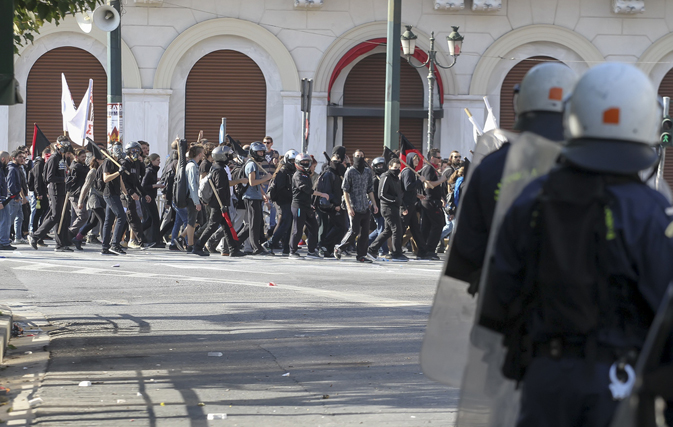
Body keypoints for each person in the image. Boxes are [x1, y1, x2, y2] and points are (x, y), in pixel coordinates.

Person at [484, 62, 673, 427]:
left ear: (574, 116)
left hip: (544, 381)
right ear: (649, 120)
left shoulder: (529, 201)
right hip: (620, 383)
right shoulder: (652, 212)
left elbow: (496, 300)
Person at [446, 62, 577, 293]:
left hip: (504, 304)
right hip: (573, 306)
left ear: (520, 103)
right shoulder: (589, 167)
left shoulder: (491, 167)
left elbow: (466, 252)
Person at [192, 146, 244, 257]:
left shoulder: (216, 167)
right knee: (212, 226)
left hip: (219, 203)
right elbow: (220, 189)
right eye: (227, 155)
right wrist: (223, 205)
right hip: (218, 204)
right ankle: (197, 246)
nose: (229, 157)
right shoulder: (219, 170)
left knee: (226, 227)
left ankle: (233, 249)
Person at [29, 136, 73, 252]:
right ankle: (35, 236)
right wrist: (63, 179)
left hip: (63, 191)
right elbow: (49, 177)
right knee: (55, 216)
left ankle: (61, 243)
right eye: (64, 145)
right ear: (58, 146)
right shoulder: (54, 158)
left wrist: (68, 178)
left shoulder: (62, 158)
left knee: (64, 217)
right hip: (55, 191)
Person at [334, 150, 378, 263]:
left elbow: (370, 190)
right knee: (354, 230)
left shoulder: (368, 172)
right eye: (357, 156)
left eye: (361, 156)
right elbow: (345, 190)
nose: (360, 158)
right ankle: (339, 248)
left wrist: (374, 204)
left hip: (364, 205)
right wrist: (349, 207)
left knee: (364, 233)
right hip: (354, 206)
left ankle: (361, 255)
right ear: (353, 157)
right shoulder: (350, 171)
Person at [289, 153, 329, 258]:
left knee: (314, 227)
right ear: (298, 163)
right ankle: (292, 251)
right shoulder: (298, 175)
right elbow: (305, 189)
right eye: (303, 162)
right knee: (298, 229)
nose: (306, 164)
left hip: (306, 206)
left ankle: (311, 250)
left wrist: (310, 204)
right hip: (298, 206)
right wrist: (321, 194)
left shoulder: (306, 175)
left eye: (307, 162)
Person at [368, 158, 407, 262]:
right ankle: (396, 252)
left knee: (387, 231)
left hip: (394, 207)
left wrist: (403, 206)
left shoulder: (396, 179)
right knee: (397, 229)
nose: (397, 170)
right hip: (387, 208)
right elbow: (381, 194)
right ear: (390, 167)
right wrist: (394, 200)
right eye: (395, 167)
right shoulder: (386, 177)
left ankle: (372, 249)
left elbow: (399, 195)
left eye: (399, 168)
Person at [238, 141, 273, 255]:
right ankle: (256, 247)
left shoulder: (255, 163)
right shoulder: (251, 164)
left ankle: (234, 243)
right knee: (253, 223)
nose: (261, 154)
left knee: (254, 223)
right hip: (251, 197)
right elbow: (252, 182)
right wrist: (266, 178)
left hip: (255, 197)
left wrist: (263, 194)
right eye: (259, 151)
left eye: (263, 152)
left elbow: (257, 184)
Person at [264, 149, 297, 256]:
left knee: (288, 223)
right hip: (282, 201)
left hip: (288, 201)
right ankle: (270, 243)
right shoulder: (283, 172)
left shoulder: (291, 171)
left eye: (294, 161)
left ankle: (286, 248)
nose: (293, 163)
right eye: (291, 160)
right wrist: (291, 194)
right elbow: (281, 189)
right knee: (285, 223)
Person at [171, 144, 203, 252]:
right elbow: (192, 185)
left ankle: (180, 238)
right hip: (191, 198)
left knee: (198, 220)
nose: (203, 155)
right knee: (191, 221)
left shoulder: (192, 165)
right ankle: (190, 245)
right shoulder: (192, 166)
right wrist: (196, 201)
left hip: (192, 197)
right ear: (199, 154)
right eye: (202, 153)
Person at [120, 141, 152, 249]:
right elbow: (123, 182)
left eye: (138, 151)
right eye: (133, 151)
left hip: (135, 194)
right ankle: (120, 240)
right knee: (128, 218)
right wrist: (131, 193)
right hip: (125, 195)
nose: (136, 153)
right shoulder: (125, 164)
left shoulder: (137, 164)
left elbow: (138, 180)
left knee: (133, 218)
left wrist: (144, 194)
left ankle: (136, 240)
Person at [99, 142, 129, 255]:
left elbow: (120, 181)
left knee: (109, 220)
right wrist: (118, 172)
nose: (119, 151)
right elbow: (106, 178)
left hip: (115, 193)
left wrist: (126, 194)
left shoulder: (118, 162)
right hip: (109, 193)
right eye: (117, 149)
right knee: (121, 216)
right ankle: (115, 244)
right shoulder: (108, 162)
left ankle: (105, 246)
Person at [419, 148, 448, 260]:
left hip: (432, 200)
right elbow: (427, 185)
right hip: (430, 201)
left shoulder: (433, 169)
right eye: (438, 157)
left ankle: (423, 250)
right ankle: (430, 250)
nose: (440, 160)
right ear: (432, 158)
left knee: (426, 227)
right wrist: (442, 180)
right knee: (438, 224)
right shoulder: (429, 169)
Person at [316, 153, 347, 258]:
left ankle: (329, 248)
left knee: (338, 227)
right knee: (338, 227)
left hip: (338, 205)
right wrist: (334, 205)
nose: (337, 164)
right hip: (331, 206)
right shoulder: (329, 174)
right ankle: (323, 245)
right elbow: (327, 192)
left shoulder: (337, 174)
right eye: (335, 162)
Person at [72, 156, 105, 251]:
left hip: (100, 199)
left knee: (92, 222)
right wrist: (80, 201)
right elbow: (85, 186)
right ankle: (105, 241)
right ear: (98, 160)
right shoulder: (93, 172)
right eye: (103, 158)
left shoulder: (102, 170)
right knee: (103, 219)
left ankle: (77, 238)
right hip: (94, 200)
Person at [400, 152, 428, 259]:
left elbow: (409, 190)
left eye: (417, 159)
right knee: (402, 228)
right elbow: (407, 187)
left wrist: (417, 195)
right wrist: (420, 181)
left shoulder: (412, 171)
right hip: (406, 204)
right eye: (415, 159)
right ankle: (396, 250)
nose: (417, 161)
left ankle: (422, 251)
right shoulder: (408, 171)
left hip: (411, 203)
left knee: (415, 229)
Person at [67, 148, 90, 242]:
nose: (84, 158)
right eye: (82, 157)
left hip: (80, 194)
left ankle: (73, 237)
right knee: (83, 215)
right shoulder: (76, 167)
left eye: (85, 156)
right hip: (76, 194)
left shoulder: (81, 165)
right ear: (76, 157)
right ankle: (70, 233)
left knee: (75, 217)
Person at [142, 153, 164, 247]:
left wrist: (158, 180)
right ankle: (154, 240)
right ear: (152, 161)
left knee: (152, 219)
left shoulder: (153, 171)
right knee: (153, 219)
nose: (159, 162)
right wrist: (156, 185)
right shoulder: (149, 171)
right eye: (158, 160)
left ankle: (155, 240)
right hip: (147, 197)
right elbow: (143, 185)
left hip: (151, 197)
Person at [367, 157, 389, 256]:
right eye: (378, 166)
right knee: (382, 230)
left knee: (380, 229)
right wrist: (374, 205)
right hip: (377, 207)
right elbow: (373, 195)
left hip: (385, 207)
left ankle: (364, 242)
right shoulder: (375, 180)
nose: (380, 167)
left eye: (382, 165)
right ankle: (383, 250)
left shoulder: (384, 178)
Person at [6, 149, 27, 244]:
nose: (22, 159)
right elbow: (10, 185)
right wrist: (15, 197)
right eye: (20, 157)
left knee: (19, 217)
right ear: (14, 158)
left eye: (23, 157)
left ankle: (18, 237)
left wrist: (21, 196)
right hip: (13, 199)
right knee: (10, 219)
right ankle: (4, 238)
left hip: (17, 197)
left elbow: (20, 185)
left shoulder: (17, 168)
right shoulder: (12, 169)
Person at [262, 136, 280, 238]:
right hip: (263, 182)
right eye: (264, 142)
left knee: (273, 205)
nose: (266, 144)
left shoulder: (275, 153)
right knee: (261, 203)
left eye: (268, 142)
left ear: (271, 143)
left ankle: (272, 226)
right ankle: (262, 224)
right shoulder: (261, 153)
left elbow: (278, 168)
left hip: (271, 182)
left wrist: (276, 164)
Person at [0, 152, 13, 250]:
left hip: (3, 197)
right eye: (8, 159)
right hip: (1, 198)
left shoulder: (2, 169)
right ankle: (3, 242)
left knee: (5, 220)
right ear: (3, 159)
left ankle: (3, 241)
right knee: (5, 220)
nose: (9, 161)